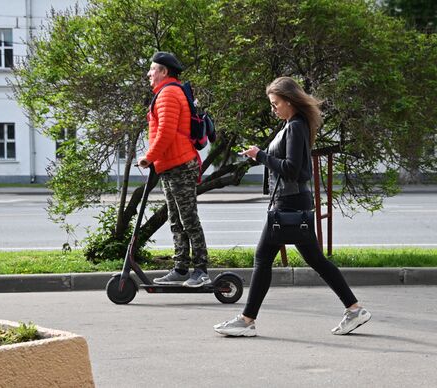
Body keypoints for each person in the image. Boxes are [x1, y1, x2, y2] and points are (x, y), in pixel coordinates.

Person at [214, 77, 371, 337]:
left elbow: (292, 170)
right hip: (294, 201)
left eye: (276, 103)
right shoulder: (292, 124)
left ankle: (247, 320)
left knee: (263, 259)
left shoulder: (295, 126)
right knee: (315, 260)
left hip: (290, 202)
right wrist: (262, 153)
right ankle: (354, 309)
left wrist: (260, 156)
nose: (273, 109)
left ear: (288, 101)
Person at [137, 51, 211, 288]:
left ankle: (201, 270)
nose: (149, 73)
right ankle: (181, 269)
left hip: (180, 165)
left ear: (164, 72)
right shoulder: (164, 92)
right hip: (170, 166)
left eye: (152, 69)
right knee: (176, 219)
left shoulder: (169, 93)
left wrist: (149, 158)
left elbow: (166, 133)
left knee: (188, 219)